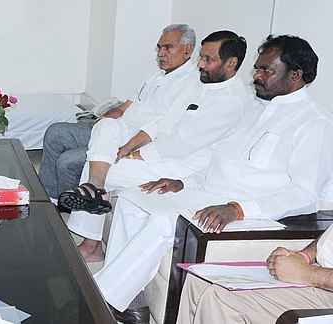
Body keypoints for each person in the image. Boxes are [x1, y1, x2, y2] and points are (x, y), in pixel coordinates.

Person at [95, 35, 333, 323]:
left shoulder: (314, 122)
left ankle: (104, 298)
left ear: (295, 75)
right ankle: (133, 302)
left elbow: (305, 194)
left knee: (162, 221)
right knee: (133, 199)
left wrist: (238, 209)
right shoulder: (258, 110)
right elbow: (221, 162)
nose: (256, 76)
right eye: (256, 68)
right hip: (208, 192)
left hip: (248, 210)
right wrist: (184, 182)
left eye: (266, 70)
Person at [65, 30, 252, 263]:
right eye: (201, 57)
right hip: (165, 152)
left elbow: (181, 144)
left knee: (104, 167)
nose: (200, 64)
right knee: (105, 139)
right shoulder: (202, 84)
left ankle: (92, 240)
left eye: (208, 59)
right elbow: (161, 124)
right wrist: (126, 148)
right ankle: (95, 190)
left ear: (231, 63)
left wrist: (135, 155)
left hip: (187, 167)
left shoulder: (230, 101)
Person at [39, 24, 198, 201]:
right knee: (56, 132)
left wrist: (126, 149)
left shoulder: (192, 84)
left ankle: (74, 203)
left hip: (137, 141)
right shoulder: (154, 75)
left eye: (168, 47)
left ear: (187, 50)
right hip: (116, 129)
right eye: (159, 47)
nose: (161, 53)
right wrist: (100, 120)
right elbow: (124, 107)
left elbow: (159, 129)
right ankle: (49, 200)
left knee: (67, 162)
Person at [177, 225, 333, 324]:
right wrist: (303, 256)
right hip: (319, 271)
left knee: (221, 298)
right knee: (198, 280)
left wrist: (305, 273)